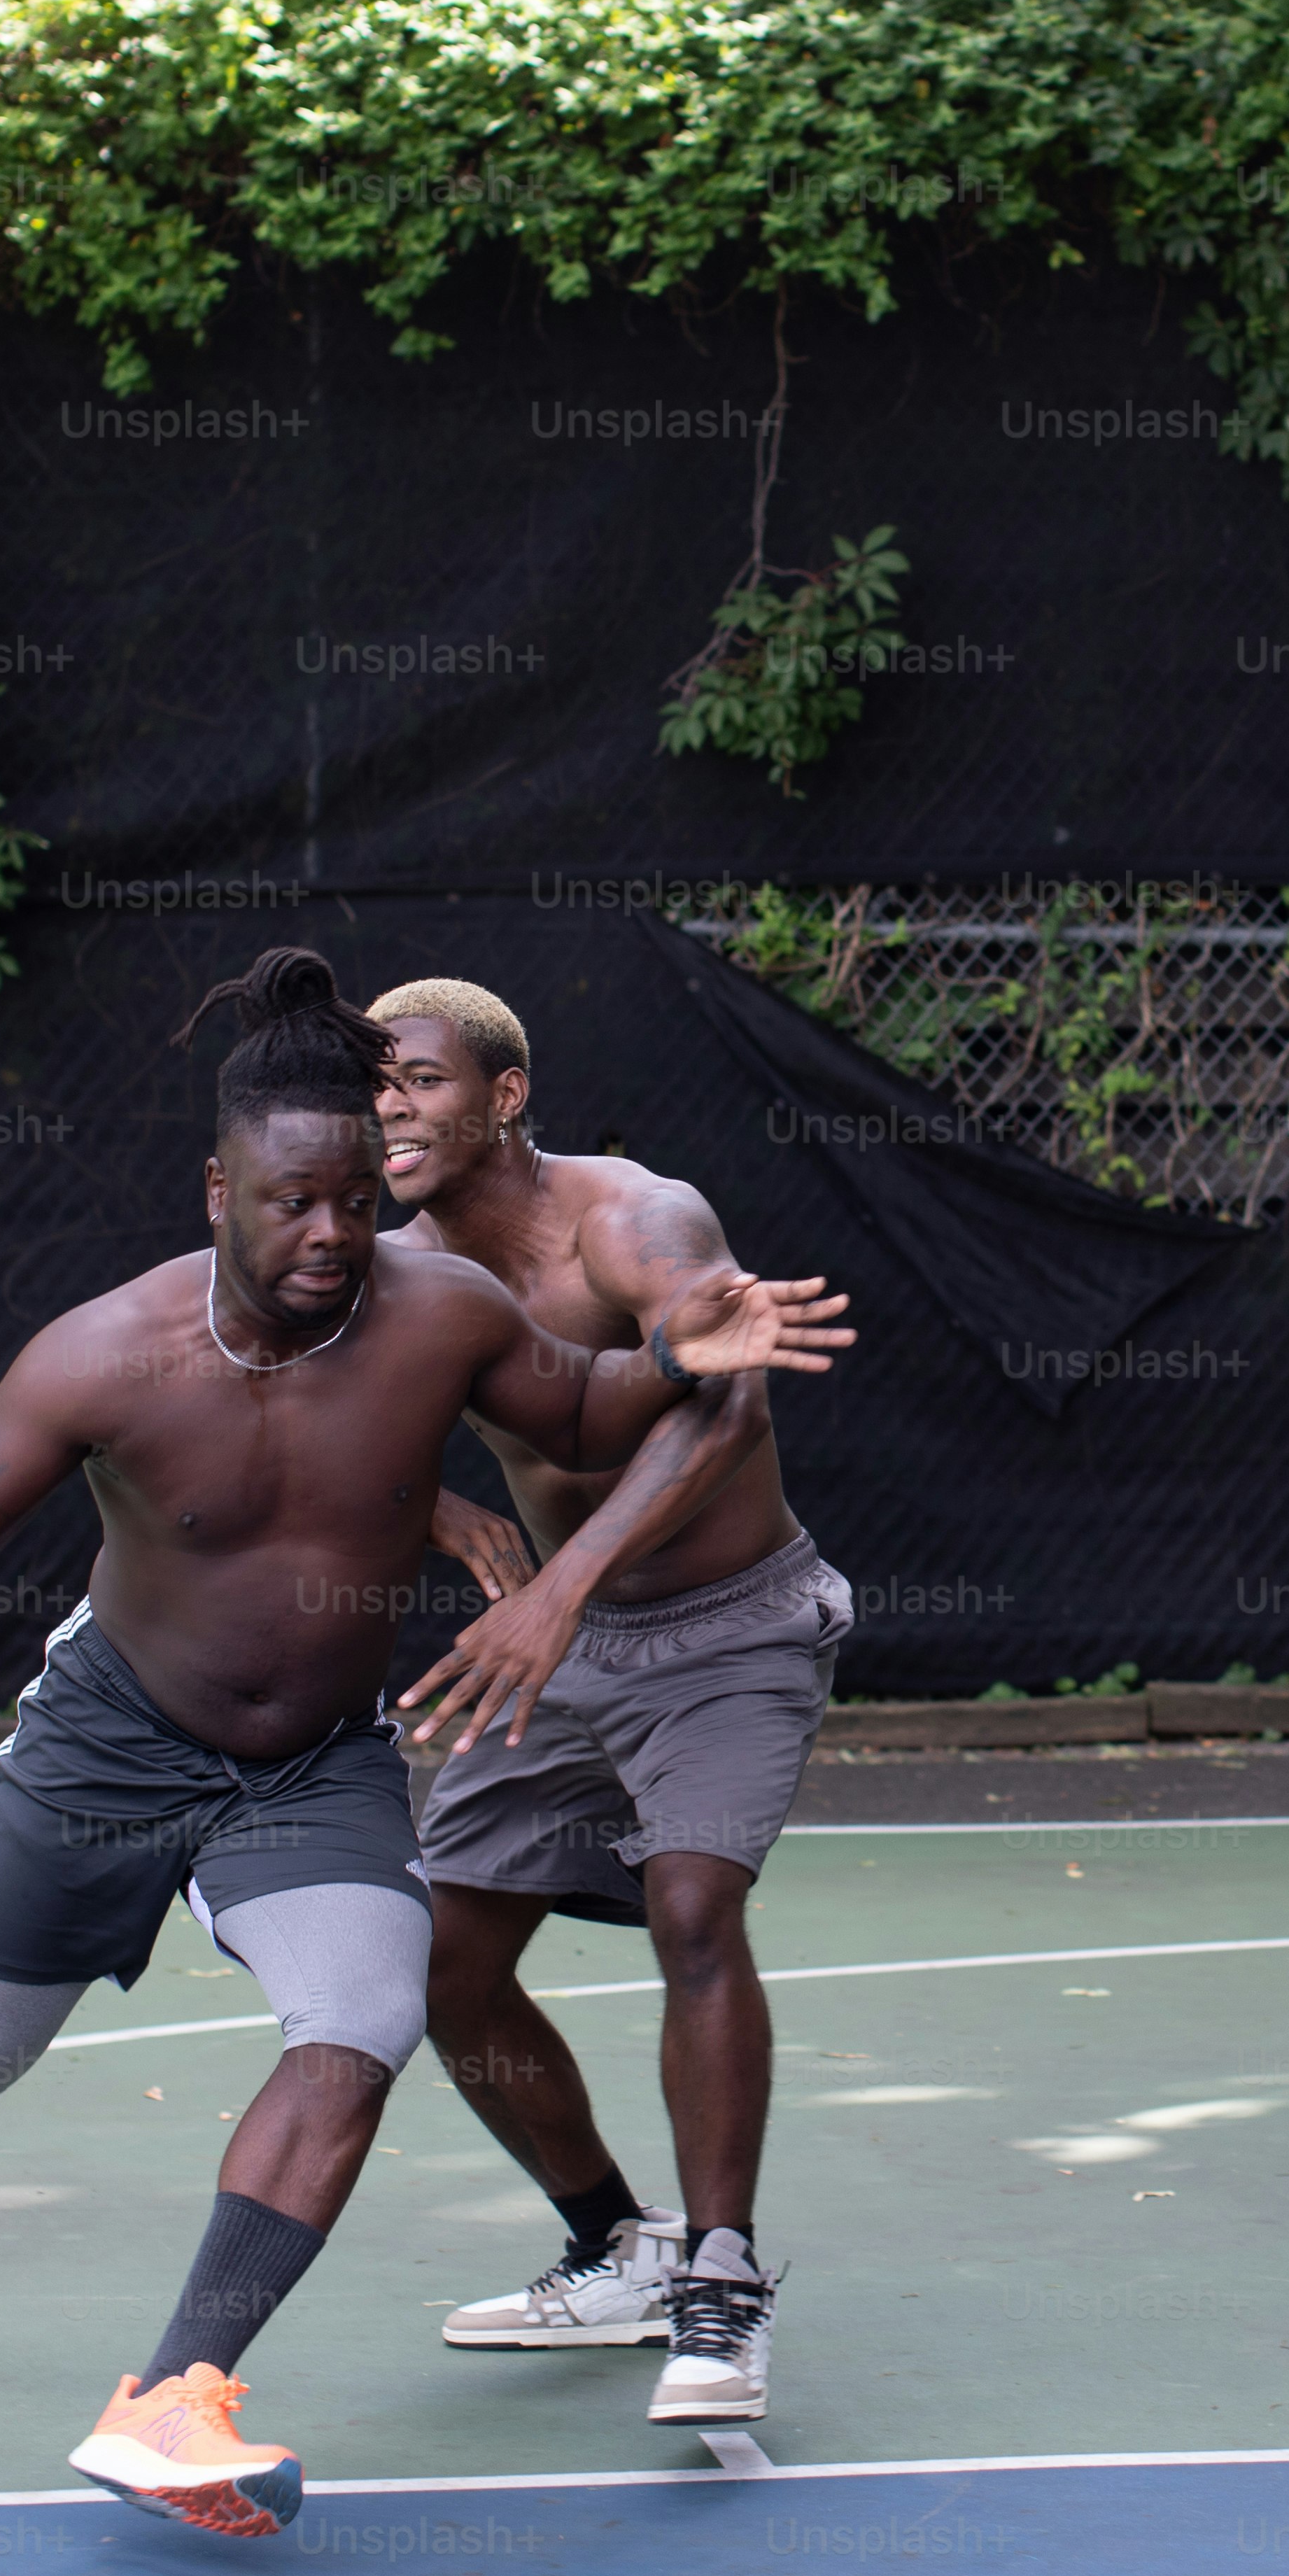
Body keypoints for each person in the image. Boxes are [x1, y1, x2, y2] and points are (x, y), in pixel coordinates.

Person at [0, 948, 852, 2538]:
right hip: (111, 1748)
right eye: (294, 1201)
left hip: (310, 1763)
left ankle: (177, 2394)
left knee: (366, 2006)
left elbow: (575, 1409)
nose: (330, 1235)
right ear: (218, 1184)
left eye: (358, 1200)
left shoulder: (438, 1303)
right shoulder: (105, 1350)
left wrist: (679, 1361)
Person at [365, 977, 850, 2430]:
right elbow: (301, 1415)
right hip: (561, 1639)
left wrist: (558, 1582)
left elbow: (731, 1397)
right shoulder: (397, 1270)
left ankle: (722, 2276)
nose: (389, 1102)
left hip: (728, 1627)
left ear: (504, 1095)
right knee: (446, 1963)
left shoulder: (632, 1216)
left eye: (422, 1079)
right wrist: (450, 1518)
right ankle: (615, 2243)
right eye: (373, 1083)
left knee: (693, 1906)